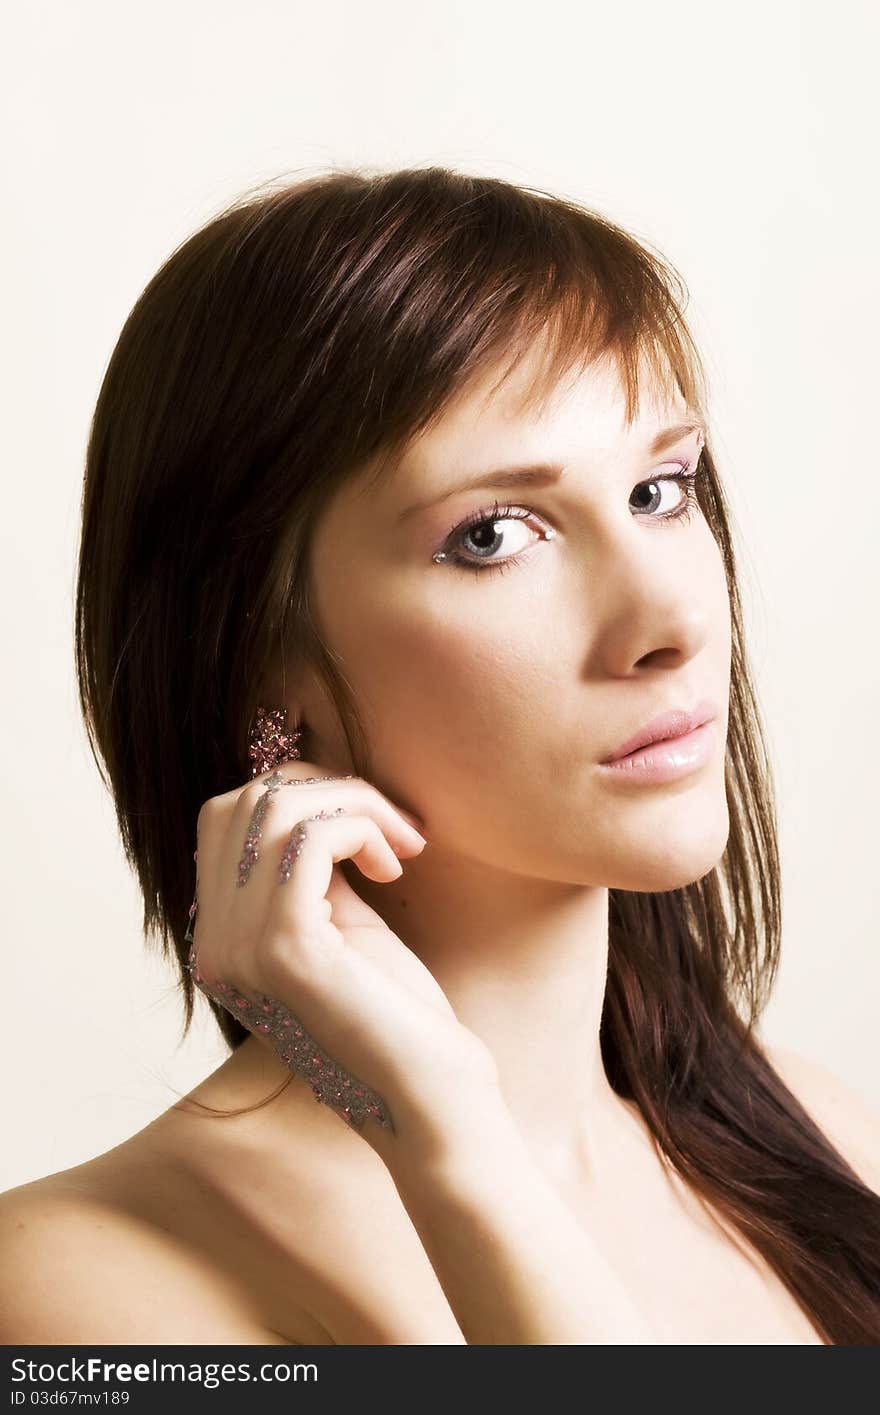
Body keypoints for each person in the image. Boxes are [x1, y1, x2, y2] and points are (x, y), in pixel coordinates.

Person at [1, 165, 878, 1346]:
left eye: (660, 489)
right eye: (491, 533)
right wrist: (446, 1137)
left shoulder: (818, 1134)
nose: (670, 620)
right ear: (259, 659)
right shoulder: (75, 1290)